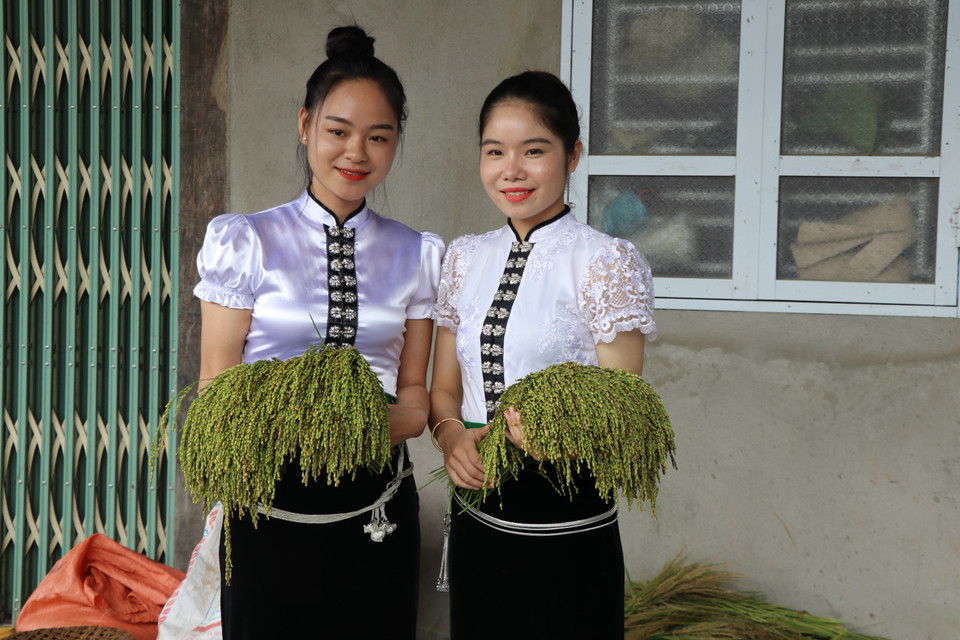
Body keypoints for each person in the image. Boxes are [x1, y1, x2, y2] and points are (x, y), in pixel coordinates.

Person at [194, 26, 443, 639]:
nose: (356, 152)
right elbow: (215, 389)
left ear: (394, 143)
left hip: (377, 507)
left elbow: (415, 395)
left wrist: (363, 425)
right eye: (338, 131)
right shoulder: (245, 241)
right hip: (267, 506)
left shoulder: (419, 254)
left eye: (378, 137)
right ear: (305, 125)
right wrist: (288, 425)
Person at [429, 71, 657, 639]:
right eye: (495, 152)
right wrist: (451, 437)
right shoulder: (464, 258)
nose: (512, 170)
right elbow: (444, 391)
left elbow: (624, 407)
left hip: (568, 517)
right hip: (478, 514)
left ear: (573, 154)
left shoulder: (605, 262)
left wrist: (561, 435)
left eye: (534, 151)